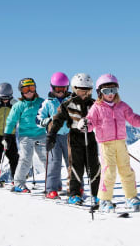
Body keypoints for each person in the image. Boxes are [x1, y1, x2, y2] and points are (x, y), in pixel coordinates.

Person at [82, 74, 140, 213]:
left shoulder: (122, 106)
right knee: (109, 171)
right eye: (106, 91)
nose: (110, 94)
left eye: (113, 90)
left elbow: (134, 119)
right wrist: (85, 124)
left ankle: (131, 197)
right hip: (106, 144)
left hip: (121, 143)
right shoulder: (96, 107)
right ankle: (105, 199)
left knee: (126, 170)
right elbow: (90, 122)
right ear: (99, 92)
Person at [46, 73, 100, 206]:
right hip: (75, 137)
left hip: (91, 137)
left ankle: (96, 194)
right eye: (82, 90)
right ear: (75, 89)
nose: (85, 94)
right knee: (76, 166)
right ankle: (74, 194)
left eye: (88, 91)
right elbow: (57, 120)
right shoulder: (68, 104)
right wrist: (52, 135)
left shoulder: (95, 104)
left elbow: (103, 119)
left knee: (94, 166)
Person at [4, 78, 47, 193]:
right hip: (26, 137)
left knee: (47, 159)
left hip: (41, 135)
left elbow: (50, 114)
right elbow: (11, 121)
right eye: (25, 89)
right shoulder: (19, 105)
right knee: (25, 159)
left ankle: (52, 183)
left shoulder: (42, 102)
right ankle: (19, 184)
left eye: (31, 88)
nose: (29, 92)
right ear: (21, 92)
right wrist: (7, 135)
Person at [36, 72, 71, 199]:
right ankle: (51, 189)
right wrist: (48, 121)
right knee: (54, 162)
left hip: (69, 136)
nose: (61, 91)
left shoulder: (71, 101)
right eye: (58, 88)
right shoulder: (47, 103)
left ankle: (76, 188)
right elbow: (38, 119)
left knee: (72, 163)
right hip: (53, 137)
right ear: (52, 88)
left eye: (64, 88)